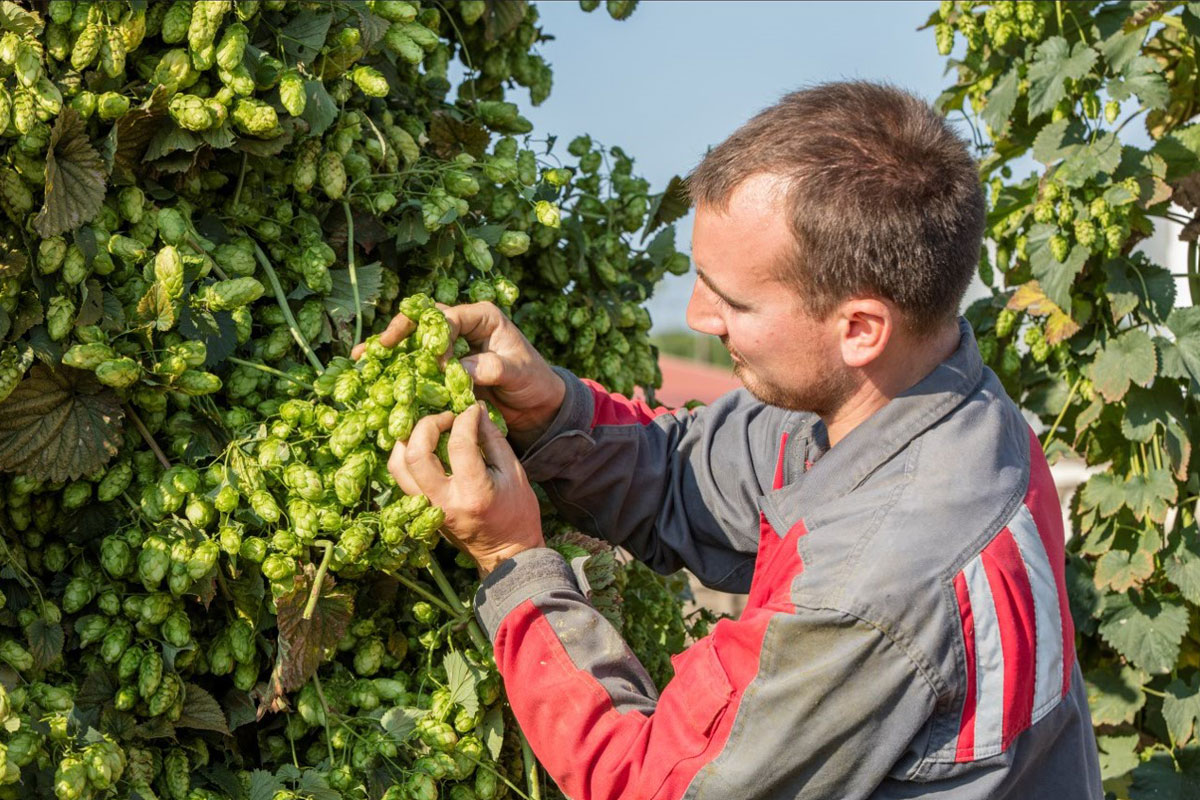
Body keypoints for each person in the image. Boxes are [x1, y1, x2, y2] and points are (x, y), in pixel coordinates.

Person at [375, 82, 1104, 799]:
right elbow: (687, 479)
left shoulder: (870, 584)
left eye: (732, 299)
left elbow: (656, 788)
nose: (698, 316)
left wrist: (511, 561)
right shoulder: (920, 399)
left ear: (858, 328)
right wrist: (553, 411)